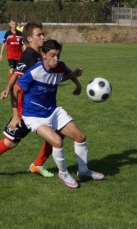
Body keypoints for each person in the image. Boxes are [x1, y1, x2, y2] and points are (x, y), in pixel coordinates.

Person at [0, 21, 82, 180]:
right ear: (29, 38)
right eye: (39, 35)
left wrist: (75, 81)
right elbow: (16, 75)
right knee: (10, 143)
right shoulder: (29, 55)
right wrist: (12, 102)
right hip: (26, 108)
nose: (43, 37)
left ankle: (38, 164)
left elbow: (55, 75)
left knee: (57, 133)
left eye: (43, 34)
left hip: (42, 107)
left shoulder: (41, 55)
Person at [11, 39, 104, 188]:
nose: (56, 59)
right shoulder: (34, 72)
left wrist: (78, 84)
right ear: (43, 55)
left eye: (58, 55)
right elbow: (15, 89)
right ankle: (63, 173)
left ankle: (83, 170)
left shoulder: (59, 66)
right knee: (57, 141)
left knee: (80, 137)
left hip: (52, 111)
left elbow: (65, 73)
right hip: (34, 116)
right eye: (52, 55)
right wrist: (16, 115)